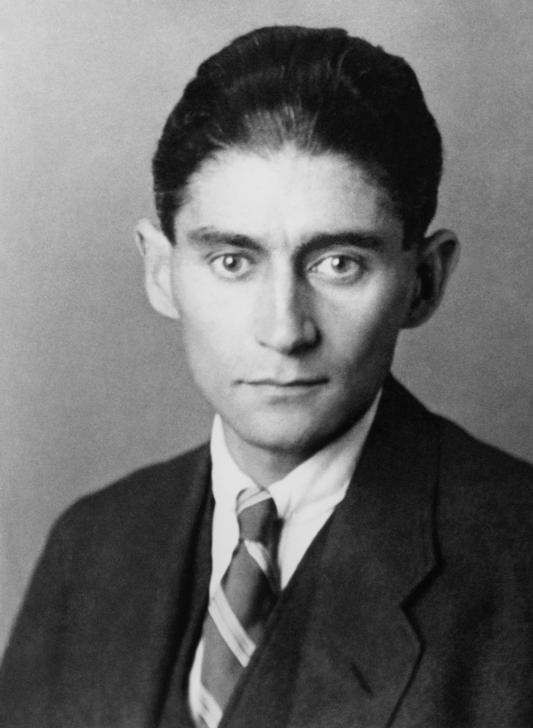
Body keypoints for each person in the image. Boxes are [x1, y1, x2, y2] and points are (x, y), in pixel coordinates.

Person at [0, 24, 531, 728]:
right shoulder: (92, 545)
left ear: (423, 281)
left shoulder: (517, 564)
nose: (284, 330)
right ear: (161, 273)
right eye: (232, 262)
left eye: (338, 264)